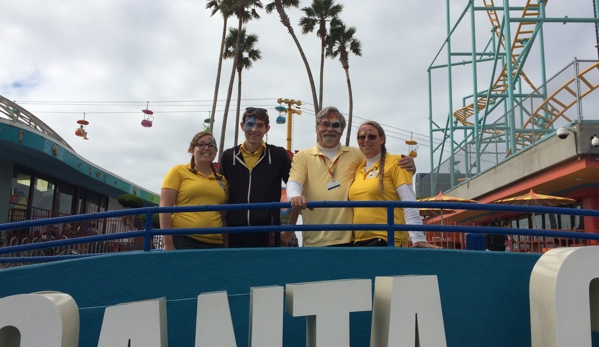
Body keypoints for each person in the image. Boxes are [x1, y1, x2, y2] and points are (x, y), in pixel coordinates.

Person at [286, 107, 417, 247]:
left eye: (335, 125)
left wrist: (408, 167)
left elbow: (382, 163)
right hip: (314, 239)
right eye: (325, 124)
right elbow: (294, 181)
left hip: (350, 240)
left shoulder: (357, 155)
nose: (330, 129)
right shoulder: (303, 156)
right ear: (317, 128)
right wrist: (294, 195)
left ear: (341, 131)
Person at [349, 121, 439, 248]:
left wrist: (418, 237)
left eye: (372, 136)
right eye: (362, 137)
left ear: (382, 139)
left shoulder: (397, 162)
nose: (366, 140)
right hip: (360, 241)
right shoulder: (358, 169)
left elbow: (408, 200)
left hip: (387, 239)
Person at [218, 107, 291, 248]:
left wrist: (290, 229)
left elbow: (295, 186)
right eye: (250, 124)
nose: (254, 129)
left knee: (267, 270)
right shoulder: (228, 156)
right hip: (235, 229)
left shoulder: (278, 155)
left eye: (260, 125)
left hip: (268, 229)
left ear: (267, 129)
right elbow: (221, 193)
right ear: (242, 126)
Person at [159, 131, 228, 250]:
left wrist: (226, 247)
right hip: (184, 239)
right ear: (191, 149)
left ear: (216, 152)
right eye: (201, 144)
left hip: (216, 243)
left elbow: (224, 216)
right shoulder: (178, 171)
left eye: (211, 146)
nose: (207, 148)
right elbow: (165, 208)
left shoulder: (222, 180)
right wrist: (168, 243)